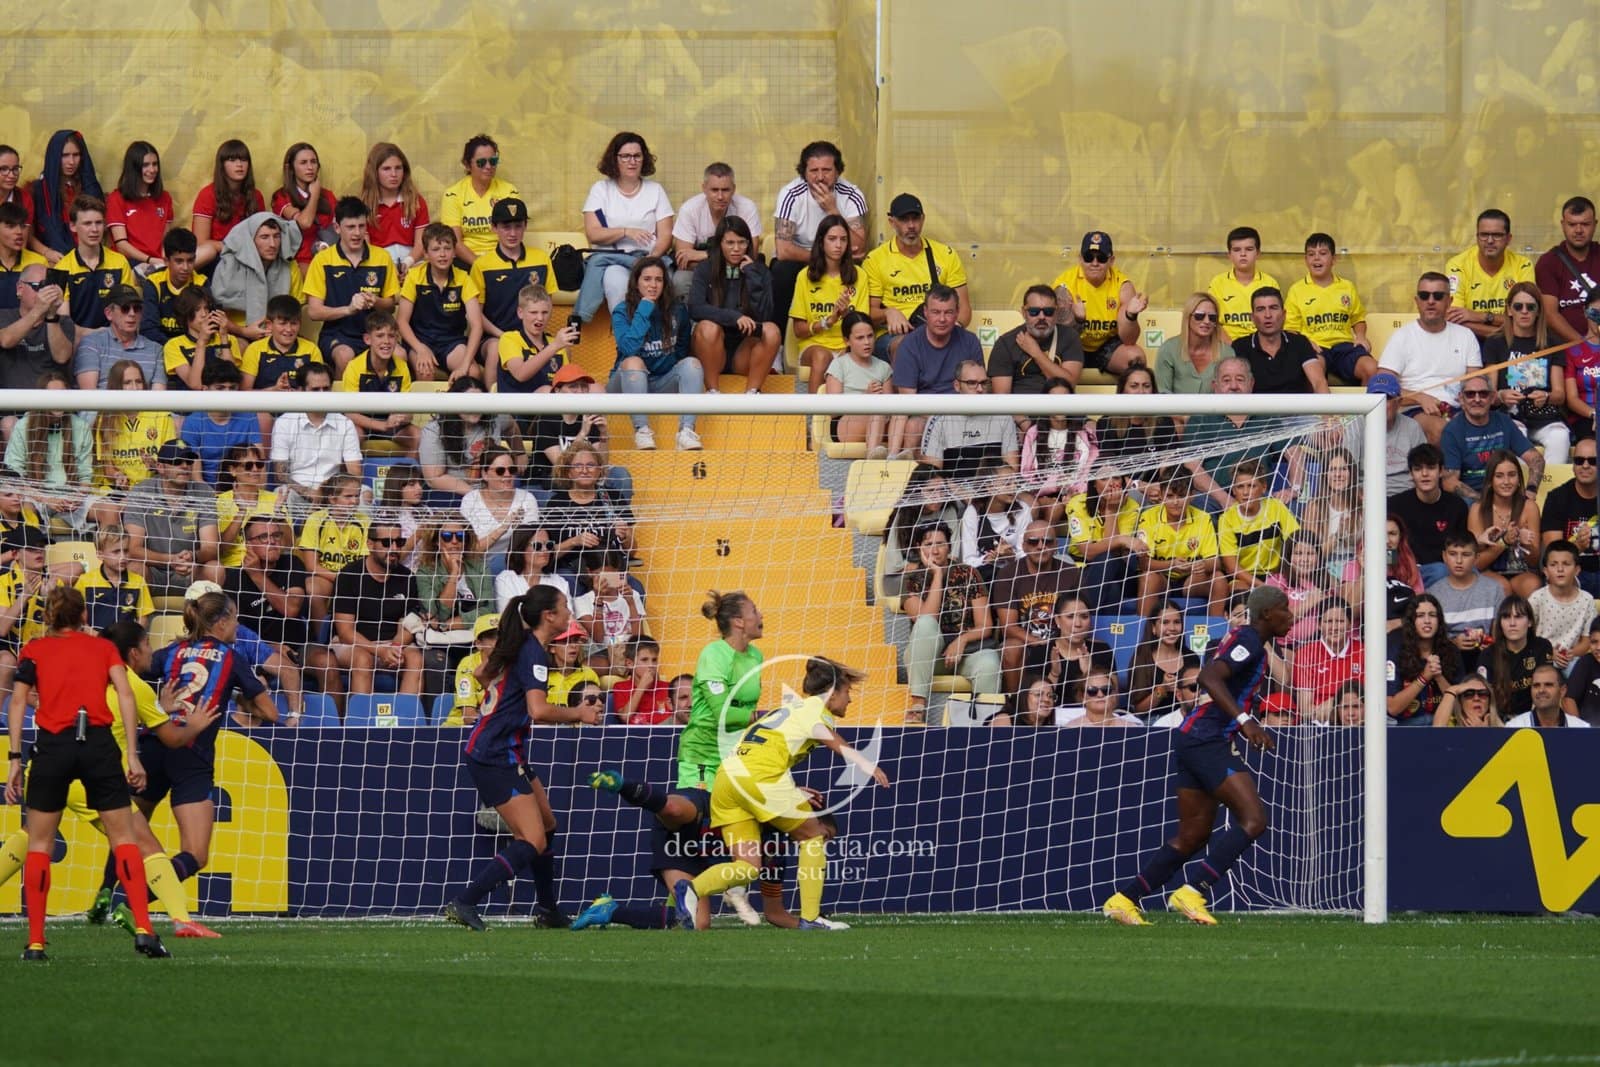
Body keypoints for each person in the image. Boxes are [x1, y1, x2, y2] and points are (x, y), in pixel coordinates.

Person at [1103, 585, 1294, 926]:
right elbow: (1208, 676)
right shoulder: (1248, 640)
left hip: (1194, 738)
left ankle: (1124, 899)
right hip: (1207, 739)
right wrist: (1245, 720)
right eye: (1286, 609)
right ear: (1267, 613)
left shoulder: (1251, 642)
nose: (1291, 616)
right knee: (1254, 820)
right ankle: (1193, 891)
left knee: (1193, 835)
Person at [4, 587, 170, 960]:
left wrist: (15, 758)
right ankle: (144, 929)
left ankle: (34, 942)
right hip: (97, 745)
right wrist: (132, 754)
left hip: (52, 747)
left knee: (40, 843)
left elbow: (17, 702)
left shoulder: (34, 650)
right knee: (124, 838)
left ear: (48, 616)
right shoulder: (103, 649)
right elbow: (126, 695)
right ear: (83, 616)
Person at [676, 656, 888, 931]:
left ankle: (691, 888)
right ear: (832, 692)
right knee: (814, 834)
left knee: (749, 866)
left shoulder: (786, 710)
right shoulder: (815, 708)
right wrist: (864, 762)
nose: (849, 700)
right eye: (847, 692)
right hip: (759, 777)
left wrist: (789, 789)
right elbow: (826, 736)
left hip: (728, 780)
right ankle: (811, 918)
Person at [443, 587, 600, 931]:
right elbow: (538, 710)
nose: (569, 615)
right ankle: (465, 901)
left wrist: (500, 693)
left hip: (505, 748)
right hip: (494, 753)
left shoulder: (521, 643)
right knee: (532, 839)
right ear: (549, 616)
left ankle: (548, 911)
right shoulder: (534, 653)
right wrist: (579, 714)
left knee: (547, 826)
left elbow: (483, 673)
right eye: (564, 609)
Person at [136, 590, 276, 915]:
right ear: (223, 622)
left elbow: (134, 675)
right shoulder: (230, 657)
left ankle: (105, 894)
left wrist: (157, 706)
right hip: (191, 754)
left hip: (154, 745)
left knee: (127, 830)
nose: (237, 626)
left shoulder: (173, 651)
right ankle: (129, 900)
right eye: (236, 619)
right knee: (196, 855)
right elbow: (269, 712)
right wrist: (242, 699)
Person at [901, 523, 1002, 725]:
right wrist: (937, 574)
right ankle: (918, 704)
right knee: (926, 624)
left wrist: (962, 640)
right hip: (928, 658)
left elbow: (985, 625)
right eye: (929, 544)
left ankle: (984, 725)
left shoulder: (967, 573)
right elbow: (929, 617)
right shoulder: (912, 578)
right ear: (919, 547)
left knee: (990, 664)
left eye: (941, 543)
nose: (935, 550)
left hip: (966, 654)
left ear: (949, 546)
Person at [770, 141, 869, 342]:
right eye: (814, 171)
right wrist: (823, 258)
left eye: (827, 170)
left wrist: (833, 210)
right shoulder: (791, 194)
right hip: (804, 258)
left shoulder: (852, 194)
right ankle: (778, 346)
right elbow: (783, 250)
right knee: (781, 271)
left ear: (838, 171)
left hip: (840, 256)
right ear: (804, 172)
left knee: (861, 269)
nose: (820, 177)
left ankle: (855, 341)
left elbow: (859, 246)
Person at [609, 256, 705, 451]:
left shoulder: (677, 309)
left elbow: (682, 346)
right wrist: (644, 309)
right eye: (647, 279)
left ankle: (686, 432)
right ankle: (642, 431)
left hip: (661, 381)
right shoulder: (622, 311)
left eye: (658, 280)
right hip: (626, 382)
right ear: (636, 282)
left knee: (692, 364)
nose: (653, 285)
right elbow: (628, 349)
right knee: (634, 362)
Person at [577, 131, 674, 323]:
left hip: (649, 258)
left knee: (662, 281)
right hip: (614, 259)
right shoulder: (600, 189)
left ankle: (657, 338)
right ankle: (627, 340)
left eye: (637, 156)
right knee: (616, 282)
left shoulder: (655, 190)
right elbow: (593, 234)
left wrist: (650, 261)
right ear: (615, 159)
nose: (632, 161)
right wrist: (625, 231)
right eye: (625, 156)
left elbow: (666, 236)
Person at [1377, 271, 1485, 444]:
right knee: (1441, 429)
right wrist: (1419, 397)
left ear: (1449, 301)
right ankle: (1449, 472)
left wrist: (1468, 399)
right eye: (1424, 295)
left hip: (1459, 409)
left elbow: (1475, 382)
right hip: (1414, 409)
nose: (1431, 301)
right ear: (1417, 301)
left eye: (1438, 296)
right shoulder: (1402, 337)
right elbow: (1381, 389)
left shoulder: (1466, 335)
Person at [4, 368, 116, 532]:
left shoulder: (80, 426)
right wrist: (46, 499)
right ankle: (30, 553)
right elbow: (15, 476)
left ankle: (105, 556)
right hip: (35, 496)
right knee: (24, 506)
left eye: (63, 394)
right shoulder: (23, 426)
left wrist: (77, 497)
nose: (58, 400)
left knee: (110, 509)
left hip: (71, 497)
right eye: (52, 395)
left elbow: (85, 475)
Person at [863, 192, 970, 361]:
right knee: (906, 345)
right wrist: (888, 313)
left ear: (923, 219)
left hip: (939, 329)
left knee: (967, 344)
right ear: (892, 222)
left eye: (916, 218)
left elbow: (964, 308)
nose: (911, 226)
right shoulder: (875, 260)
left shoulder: (945, 254)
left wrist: (950, 328)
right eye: (904, 219)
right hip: (894, 336)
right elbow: (867, 312)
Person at [678, 589, 764, 790]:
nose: (761, 615)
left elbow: (746, 706)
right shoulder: (714, 655)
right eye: (754, 611)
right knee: (701, 815)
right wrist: (765, 716)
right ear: (739, 622)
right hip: (703, 755)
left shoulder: (756, 656)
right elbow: (723, 714)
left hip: (734, 755)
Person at [886, 285, 984, 458]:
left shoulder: (970, 341)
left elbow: (979, 388)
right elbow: (908, 401)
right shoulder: (909, 345)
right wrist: (941, 417)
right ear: (925, 312)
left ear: (957, 313)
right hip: (925, 414)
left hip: (963, 413)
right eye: (936, 312)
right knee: (913, 426)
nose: (942, 319)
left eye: (948, 312)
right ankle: (915, 477)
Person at [304, 196, 398, 375]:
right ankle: (343, 404)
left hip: (375, 334)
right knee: (345, 355)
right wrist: (348, 309)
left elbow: (391, 306)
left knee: (399, 354)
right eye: (350, 227)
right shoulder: (322, 260)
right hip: (337, 335)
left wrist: (376, 301)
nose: (357, 233)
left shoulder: (382, 257)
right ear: (337, 228)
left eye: (361, 226)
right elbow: (313, 312)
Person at [687, 215, 778, 394]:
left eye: (742, 242)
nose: (736, 249)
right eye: (730, 243)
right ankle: (713, 391)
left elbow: (766, 315)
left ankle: (752, 392)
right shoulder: (706, 268)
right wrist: (734, 317)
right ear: (720, 243)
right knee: (707, 327)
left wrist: (752, 276)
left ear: (749, 244)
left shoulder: (759, 270)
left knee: (772, 330)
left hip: (744, 352)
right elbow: (695, 307)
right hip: (711, 348)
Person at [332, 520, 423, 697]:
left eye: (399, 542)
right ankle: (362, 721)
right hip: (353, 644)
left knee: (415, 658)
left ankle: (406, 722)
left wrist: (395, 648)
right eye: (387, 542)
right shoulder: (349, 575)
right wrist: (379, 651)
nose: (394, 548)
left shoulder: (407, 577)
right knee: (362, 659)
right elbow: (345, 632)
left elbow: (410, 623)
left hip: (393, 643)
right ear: (370, 544)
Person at [992, 518, 1081, 694]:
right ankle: (1015, 704)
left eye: (1047, 541)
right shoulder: (1008, 574)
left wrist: (1058, 644)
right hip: (1026, 644)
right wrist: (1039, 643)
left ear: (1056, 545)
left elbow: (1079, 616)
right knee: (1010, 648)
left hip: (1063, 642)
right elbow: (1008, 628)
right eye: (1033, 542)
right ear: (1024, 546)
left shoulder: (1071, 573)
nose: (1041, 546)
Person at [1485, 281, 1568, 463]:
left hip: (1544, 415)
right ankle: (1520, 491)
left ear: (1538, 311)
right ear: (1509, 310)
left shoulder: (1553, 343)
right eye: (1518, 306)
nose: (1524, 311)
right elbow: (1489, 395)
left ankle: (1552, 490)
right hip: (1509, 414)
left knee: (1560, 437)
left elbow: (1560, 395)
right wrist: (1501, 394)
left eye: (1530, 307)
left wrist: (1546, 396)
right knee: (1516, 434)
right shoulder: (1495, 343)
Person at [470, 197, 554, 371]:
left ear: (525, 226)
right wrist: (504, 336)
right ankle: (491, 397)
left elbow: (547, 303)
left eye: (518, 226)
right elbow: (476, 313)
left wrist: (531, 334)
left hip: (533, 334)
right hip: (494, 336)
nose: (513, 233)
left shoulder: (542, 259)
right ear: (494, 228)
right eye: (506, 227)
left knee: (561, 348)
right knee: (495, 349)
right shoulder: (482, 265)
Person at [268, 362, 362, 516]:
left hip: (334, 491)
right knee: (282, 495)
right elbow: (281, 475)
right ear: (300, 390)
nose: (322, 394)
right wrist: (310, 493)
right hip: (297, 492)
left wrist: (329, 492)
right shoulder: (284, 422)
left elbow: (355, 472)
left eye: (326, 389)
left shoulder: (344, 423)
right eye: (316, 389)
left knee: (364, 495)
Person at [790, 212, 869, 395]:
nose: (838, 245)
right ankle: (814, 419)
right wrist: (829, 321)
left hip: (847, 345)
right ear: (821, 242)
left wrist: (846, 315)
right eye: (832, 239)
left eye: (843, 239)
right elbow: (798, 330)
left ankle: (842, 420)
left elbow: (863, 324)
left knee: (851, 358)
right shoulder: (805, 276)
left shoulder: (859, 275)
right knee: (822, 356)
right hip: (814, 346)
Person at [1051, 230, 1147, 375]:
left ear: (1111, 260)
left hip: (1107, 345)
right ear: (1080, 259)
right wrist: (1078, 320)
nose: (1094, 263)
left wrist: (1130, 316)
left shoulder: (1123, 286)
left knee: (1136, 359)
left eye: (1101, 258)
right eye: (1089, 257)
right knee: (1051, 360)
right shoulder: (1065, 286)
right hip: (1075, 344)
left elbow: (1129, 339)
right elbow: (1059, 336)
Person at [398, 223, 483, 383]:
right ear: (426, 254)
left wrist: (465, 365)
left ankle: (457, 409)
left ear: (454, 252)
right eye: (436, 249)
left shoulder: (464, 278)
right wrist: (420, 348)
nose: (442, 254)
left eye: (447, 248)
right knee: (425, 371)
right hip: (421, 340)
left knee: (472, 372)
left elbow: (477, 325)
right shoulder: (414, 277)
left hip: (451, 341)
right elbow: (402, 321)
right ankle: (426, 410)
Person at [1284, 232, 1374, 384]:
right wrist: (1304, 342)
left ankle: (1361, 409)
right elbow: (1290, 329)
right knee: (1312, 371)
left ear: (1334, 259)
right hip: (1316, 348)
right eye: (1311, 254)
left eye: (1323, 253)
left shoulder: (1347, 287)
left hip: (1344, 347)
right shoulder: (1296, 290)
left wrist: (1360, 336)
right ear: (1306, 260)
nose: (1316, 258)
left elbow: (1358, 319)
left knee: (1371, 368)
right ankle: (1322, 409)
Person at [1136, 467, 1225, 616]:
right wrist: (1172, 565)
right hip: (1162, 578)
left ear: (1191, 495)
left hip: (1191, 579)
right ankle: (1143, 633)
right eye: (1170, 496)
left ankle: (1215, 633)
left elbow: (1215, 562)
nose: (1176, 502)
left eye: (1182, 496)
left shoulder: (1203, 517)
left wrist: (1199, 565)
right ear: (1162, 496)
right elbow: (1143, 563)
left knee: (1219, 579)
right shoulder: (1148, 517)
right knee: (1148, 577)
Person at [1441, 377, 1543, 502]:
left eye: (1483, 394)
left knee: (1529, 507)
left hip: (1506, 491)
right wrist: (1485, 502)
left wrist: (1531, 491)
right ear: (1461, 398)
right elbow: (1449, 482)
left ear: (1492, 397)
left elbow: (1536, 459)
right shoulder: (1452, 430)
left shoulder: (1504, 421)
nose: (1477, 399)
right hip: (1473, 497)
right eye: (1470, 394)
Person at [670, 162, 764, 297]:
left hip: (738, 270)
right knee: (680, 280)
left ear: (734, 189)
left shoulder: (747, 208)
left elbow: (750, 254)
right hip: (702, 272)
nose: (720, 197)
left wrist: (705, 255)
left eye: (725, 190)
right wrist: (728, 259)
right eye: (714, 190)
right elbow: (684, 261)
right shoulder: (689, 209)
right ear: (704, 188)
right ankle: (688, 318)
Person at [209, 212, 300, 342]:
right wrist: (244, 332)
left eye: (276, 236)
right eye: (264, 237)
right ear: (251, 241)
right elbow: (216, 315)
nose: (272, 244)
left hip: (279, 336)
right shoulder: (229, 266)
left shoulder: (289, 267)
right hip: (236, 333)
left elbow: (294, 313)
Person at [1446, 209, 1534, 344]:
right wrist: (1509, 331)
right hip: (1470, 341)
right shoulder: (1457, 265)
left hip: (1511, 345)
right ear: (1476, 237)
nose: (1490, 240)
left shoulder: (1523, 265)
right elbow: (1454, 320)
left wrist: (1479, 316)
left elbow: (1527, 318)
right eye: (1484, 235)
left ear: (1508, 239)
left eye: (1497, 235)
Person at [1387, 443, 1469, 586]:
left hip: (1448, 568)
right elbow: (1388, 544)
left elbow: (1461, 545)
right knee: (1440, 571)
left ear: (1441, 471)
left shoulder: (1457, 506)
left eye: (1431, 468)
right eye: (1418, 469)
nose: (1424, 474)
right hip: (1407, 570)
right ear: (1411, 474)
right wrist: (1390, 571)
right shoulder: (1395, 505)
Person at [340, 311, 420, 457]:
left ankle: (406, 477)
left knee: (417, 436)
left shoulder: (402, 367)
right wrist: (383, 425)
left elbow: (408, 411)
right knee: (353, 434)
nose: (387, 342)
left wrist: (403, 417)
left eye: (391, 336)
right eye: (380, 336)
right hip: (363, 424)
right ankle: (351, 479)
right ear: (367, 339)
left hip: (392, 425)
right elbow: (350, 414)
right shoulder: (354, 367)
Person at [1218, 458, 1302, 597]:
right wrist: (1262, 586)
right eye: (1240, 487)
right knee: (1240, 595)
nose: (1246, 492)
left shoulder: (1276, 507)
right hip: (1244, 577)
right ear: (1234, 490)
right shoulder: (1226, 519)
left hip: (1275, 574)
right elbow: (1231, 567)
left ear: (1263, 488)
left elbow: (1296, 540)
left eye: (1252, 486)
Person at [1465, 449, 1542, 598]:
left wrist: (1526, 544)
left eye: (1512, 475)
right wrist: (1504, 542)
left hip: (1522, 572)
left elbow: (1535, 561)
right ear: (1490, 481)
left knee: (1532, 586)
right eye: (1499, 476)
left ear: (1519, 479)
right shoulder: (1477, 509)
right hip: (1488, 571)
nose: (1506, 482)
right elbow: (1475, 564)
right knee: (1501, 587)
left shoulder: (1529, 507)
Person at [1064, 474, 1146, 615]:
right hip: (1082, 568)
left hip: (1120, 570)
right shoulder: (1077, 503)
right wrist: (1120, 539)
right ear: (1094, 484)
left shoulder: (1132, 505)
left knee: (1107, 559)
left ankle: (1083, 617)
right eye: (1104, 478)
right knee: (1112, 590)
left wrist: (1111, 511)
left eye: (1116, 478)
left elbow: (1113, 553)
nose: (1111, 483)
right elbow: (1087, 552)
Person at [1426, 532, 1505, 672]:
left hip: (1486, 660)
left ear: (1476, 558)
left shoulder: (1494, 589)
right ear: (1444, 556)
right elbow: (1429, 641)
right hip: (1448, 662)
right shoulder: (1433, 594)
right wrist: (1454, 643)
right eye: (1453, 554)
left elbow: (1500, 636)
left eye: (1466, 554)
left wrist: (1489, 643)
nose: (1459, 560)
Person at [58, 194, 138, 330]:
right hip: (78, 342)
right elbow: (64, 324)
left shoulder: (119, 262)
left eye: (99, 223)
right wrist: (93, 336)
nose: (94, 229)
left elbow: (128, 314)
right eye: (87, 223)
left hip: (115, 340)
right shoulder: (62, 269)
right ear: (73, 226)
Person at [90, 360, 172, 492]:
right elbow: (107, 468)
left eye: (138, 381)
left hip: (154, 488)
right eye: (127, 383)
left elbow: (171, 465)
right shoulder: (105, 418)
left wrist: (155, 466)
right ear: (117, 386)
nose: (134, 388)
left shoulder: (161, 415)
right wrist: (118, 476)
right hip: (116, 488)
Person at [989, 284, 1084, 395]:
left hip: (1060, 408)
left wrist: (1036, 352)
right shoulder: (1005, 343)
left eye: (1048, 311)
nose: (1042, 317)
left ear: (1056, 312)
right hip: (1021, 409)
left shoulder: (1069, 337)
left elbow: (1069, 384)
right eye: (1034, 311)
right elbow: (1002, 398)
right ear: (1024, 312)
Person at [439, 135, 519, 266]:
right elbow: (454, 241)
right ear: (467, 164)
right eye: (481, 162)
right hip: (466, 260)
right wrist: (480, 265)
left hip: (502, 258)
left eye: (493, 161)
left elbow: (513, 235)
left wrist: (496, 264)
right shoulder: (453, 194)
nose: (488, 167)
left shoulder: (509, 191)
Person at [1387, 594, 1464, 725]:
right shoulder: (1395, 645)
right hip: (1404, 727)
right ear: (1411, 621)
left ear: (1439, 620)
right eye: (1420, 615)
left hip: (1442, 724)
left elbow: (1460, 707)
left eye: (1432, 615)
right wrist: (1424, 677)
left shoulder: (1451, 650)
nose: (1427, 620)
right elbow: (1392, 708)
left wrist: (1439, 677)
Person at [1234, 286, 1327, 394]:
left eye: (1273, 308)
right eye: (1261, 309)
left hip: (1296, 410)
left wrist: (1328, 409)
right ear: (1252, 317)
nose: (1268, 315)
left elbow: (1319, 382)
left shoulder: (1299, 342)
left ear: (1284, 314)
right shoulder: (1240, 346)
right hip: (1257, 410)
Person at [180, 361, 262, 483]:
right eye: (220, 388)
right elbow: (196, 476)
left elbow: (259, 465)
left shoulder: (249, 417)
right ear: (205, 389)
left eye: (232, 388)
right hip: (206, 492)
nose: (227, 394)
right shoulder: (193, 422)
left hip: (243, 489)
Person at [461, 443, 540, 568]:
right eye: (500, 471)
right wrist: (502, 529)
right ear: (485, 474)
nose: (507, 475)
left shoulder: (527, 499)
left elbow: (532, 545)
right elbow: (469, 551)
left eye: (512, 470)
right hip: (478, 568)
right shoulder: (470, 500)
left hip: (517, 567)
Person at [416, 515, 496, 640]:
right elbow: (437, 614)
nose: (454, 541)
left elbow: (488, 609)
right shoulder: (425, 572)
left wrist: (449, 624)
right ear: (437, 541)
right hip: (441, 640)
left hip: (477, 635)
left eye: (460, 536)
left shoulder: (480, 567)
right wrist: (454, 574)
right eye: (447, 536)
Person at [1534, 196, 1600, 345]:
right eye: (1572, 224)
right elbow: (1550, 315)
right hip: (1565, 351)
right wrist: (1586, 346)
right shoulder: (1548, 262)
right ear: (1563, 225)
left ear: (1595, 225)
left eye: (1585, 224)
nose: (1578, 230)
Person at [825, 311, 892, 456]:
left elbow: (890, 406)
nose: (867, 342)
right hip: (846, 424)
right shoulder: (839, 364)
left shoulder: (884, 367)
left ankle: (895, 459)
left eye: (870, 336)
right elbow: (833, 410)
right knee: (877, 409)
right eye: (860, 338)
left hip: (880, 420)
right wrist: (865, 398)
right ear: (847, 341)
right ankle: (871, 459)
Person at [30, 130, 102, 260]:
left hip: (90, 256)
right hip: (53, 257)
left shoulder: (90, 187)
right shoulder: (39, 190)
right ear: (54, 156)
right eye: (65, 155)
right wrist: (47, 252)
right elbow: (27, 234)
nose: (71, 161)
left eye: (76, 155)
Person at [190, 139, 264, 267]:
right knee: (208, 252)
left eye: (244, 159)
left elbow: (262, 235)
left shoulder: (256, 196)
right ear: (222, 165)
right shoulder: (207, 194)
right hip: (217, 257)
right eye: (232, 160)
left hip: (248, 257)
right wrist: (231, 247)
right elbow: (201, 243)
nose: (239, 164)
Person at [1035, 594, 1115, 710]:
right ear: (1057, 620)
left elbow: (1113, 700)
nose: (1078, 624)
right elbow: (1033, 706)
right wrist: (1054, 674)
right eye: (1070, 616)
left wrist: (1088, 673)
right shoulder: (1040, 652)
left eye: (1084, 616)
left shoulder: (1102, 650)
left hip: (1092, 720)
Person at [494, 282, 574, 396]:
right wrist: (554, 346)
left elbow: (566, 383)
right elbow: (520, 374)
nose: (540, 318)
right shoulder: (509, 339)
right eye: (533, 312)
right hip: (516, 409)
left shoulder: (557, 344)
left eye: (545, 312)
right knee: (546, 391)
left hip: (552, 409)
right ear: (520, 313)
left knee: (596, 389)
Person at [1481, 594, 1553, 720]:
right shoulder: (1488, 655)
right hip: (1497, 721)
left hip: (1534, 718)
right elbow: (1484, 698)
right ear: (1500, 623)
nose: (1512, 623)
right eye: (1506, 617)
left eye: (1518, 617)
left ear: (1530, 621)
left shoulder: (1542, 647)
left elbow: (1545, 690)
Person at [104, 141, 174, 272]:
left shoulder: (165, 198)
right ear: (134, 168)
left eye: (155, 164)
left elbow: (166, 240)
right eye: (146, 165)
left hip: (159, 262)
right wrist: (150, 260)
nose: (152, 170)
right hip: (130, 263)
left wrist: (166, 261)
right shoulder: (116, 199)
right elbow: (122, 246)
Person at [1528, 540, 1596, 671]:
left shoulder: (1587, 600)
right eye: (1553, 565)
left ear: (1577, 570)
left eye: (1566, 564)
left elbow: (1587, 639)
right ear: (1546, 571)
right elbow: (1527, 636)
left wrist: (1570, 654)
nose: (1560, 569)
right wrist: (1549, 652)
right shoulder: (1537, 599)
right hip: (1541, 656)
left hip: (1573, 659)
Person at [360, 142, 428, 272]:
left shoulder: (416, 201)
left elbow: (421, 243)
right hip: (378, 266)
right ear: (374, 172)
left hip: (413, 264)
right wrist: (387, 267)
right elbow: (365, 246)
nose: (394, 174)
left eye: (398, 168)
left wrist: (407, 264)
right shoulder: (364, 205)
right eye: (386, 169)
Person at [1126, 602, 1200, 720]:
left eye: (1177, 622)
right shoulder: (1142, 658)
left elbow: (1199, 698)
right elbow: (1138, 709)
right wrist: (1162, 689)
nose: (1172, 628)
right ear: (1154, 628)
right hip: (1152, 722)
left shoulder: (1191, 658)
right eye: (1165, 622)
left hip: (1186, 719)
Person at [76, 524, 154, 632]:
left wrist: (130, 639)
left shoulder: (138, 581)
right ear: (100, 554)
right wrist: (96, 636)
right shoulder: (85, 581)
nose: (123, 557)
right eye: (116, 552)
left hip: (125, 644)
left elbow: (143, 618)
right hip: (94, 642)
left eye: (125, 551)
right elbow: (77, 618)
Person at [162, 285, 242, 392]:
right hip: (192, 405)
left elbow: (232, 381)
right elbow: (195, 385)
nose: (204, 314)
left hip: (226, 402)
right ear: (185, 314)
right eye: (197, 309)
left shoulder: (229, 339)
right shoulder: (173, 345)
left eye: (206, 308)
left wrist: (223, 337)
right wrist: (202, 342)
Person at [1207, 226, 1279, 343]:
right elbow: (1212, 321)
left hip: (1261, 345)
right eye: (1237, 250)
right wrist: (1232, 347)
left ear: (1258, 253)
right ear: (1229, 255)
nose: (1243, 254)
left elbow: (1275, 322)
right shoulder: (1218, 283)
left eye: (1249, 249)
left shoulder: (1270, 282)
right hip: (1227, 346)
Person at [1152, 291, 1230, 395]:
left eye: (1212, 317)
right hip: (1174, 410)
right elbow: (1162, 393)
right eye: (1199, 316)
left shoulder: (1227, 353)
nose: (1207, 321)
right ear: (1188, 318)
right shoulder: (1168, 350)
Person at [271, 142, 335, 268]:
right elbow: (305, 223)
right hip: (299, 261)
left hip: (328, 258)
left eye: (313, 162)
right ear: (291, 168)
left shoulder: (328, 196)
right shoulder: (282, 196)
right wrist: (315, 195)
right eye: (303, 162)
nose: (310, 167)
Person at [239, 294, 319, 394]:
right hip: (263, 407)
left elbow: (319, 390)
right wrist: (274, 391)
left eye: (294, 323)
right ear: (269, 325)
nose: (289, 329)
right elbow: (243, 393)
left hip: (299, 407)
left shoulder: (311, 350)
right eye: (282, 323)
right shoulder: (254, 349)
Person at [137, 227, 205, 345]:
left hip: (194, 347)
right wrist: (173, 348)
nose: (185, 267)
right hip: (160, 346)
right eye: (179, 261)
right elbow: (148, 329)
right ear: (166, 261)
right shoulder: (153, 283)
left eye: (190, 261)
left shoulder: (202, 283)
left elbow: (207, 326)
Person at [1505, 663, 1591, 728]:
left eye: (1548, 685)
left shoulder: (1581, 728)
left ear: (1562, 691)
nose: (1541, 690)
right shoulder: (1514, 727)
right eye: (1536, 685)